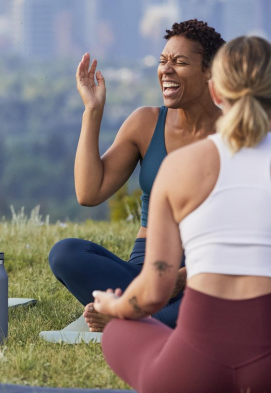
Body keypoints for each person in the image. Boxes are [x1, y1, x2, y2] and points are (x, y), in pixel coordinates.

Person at [93, 35, 271, 393]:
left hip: (192, 368)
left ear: (216, 91)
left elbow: (154, 290)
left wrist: (115, 307)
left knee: (118, 330)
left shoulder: (180, 167)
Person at [49, 19, 225, 330]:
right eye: (163, 60)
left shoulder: (238, 134)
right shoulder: (146, 123)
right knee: (65, 253)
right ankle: (142, 316)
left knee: (214, 298)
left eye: (180, 62)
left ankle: (130, 317)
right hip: (146, 269)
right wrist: (92, 111)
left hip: (206, 269)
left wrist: (184, 277)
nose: (166, 70)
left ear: (210, 70)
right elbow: (89, 192)